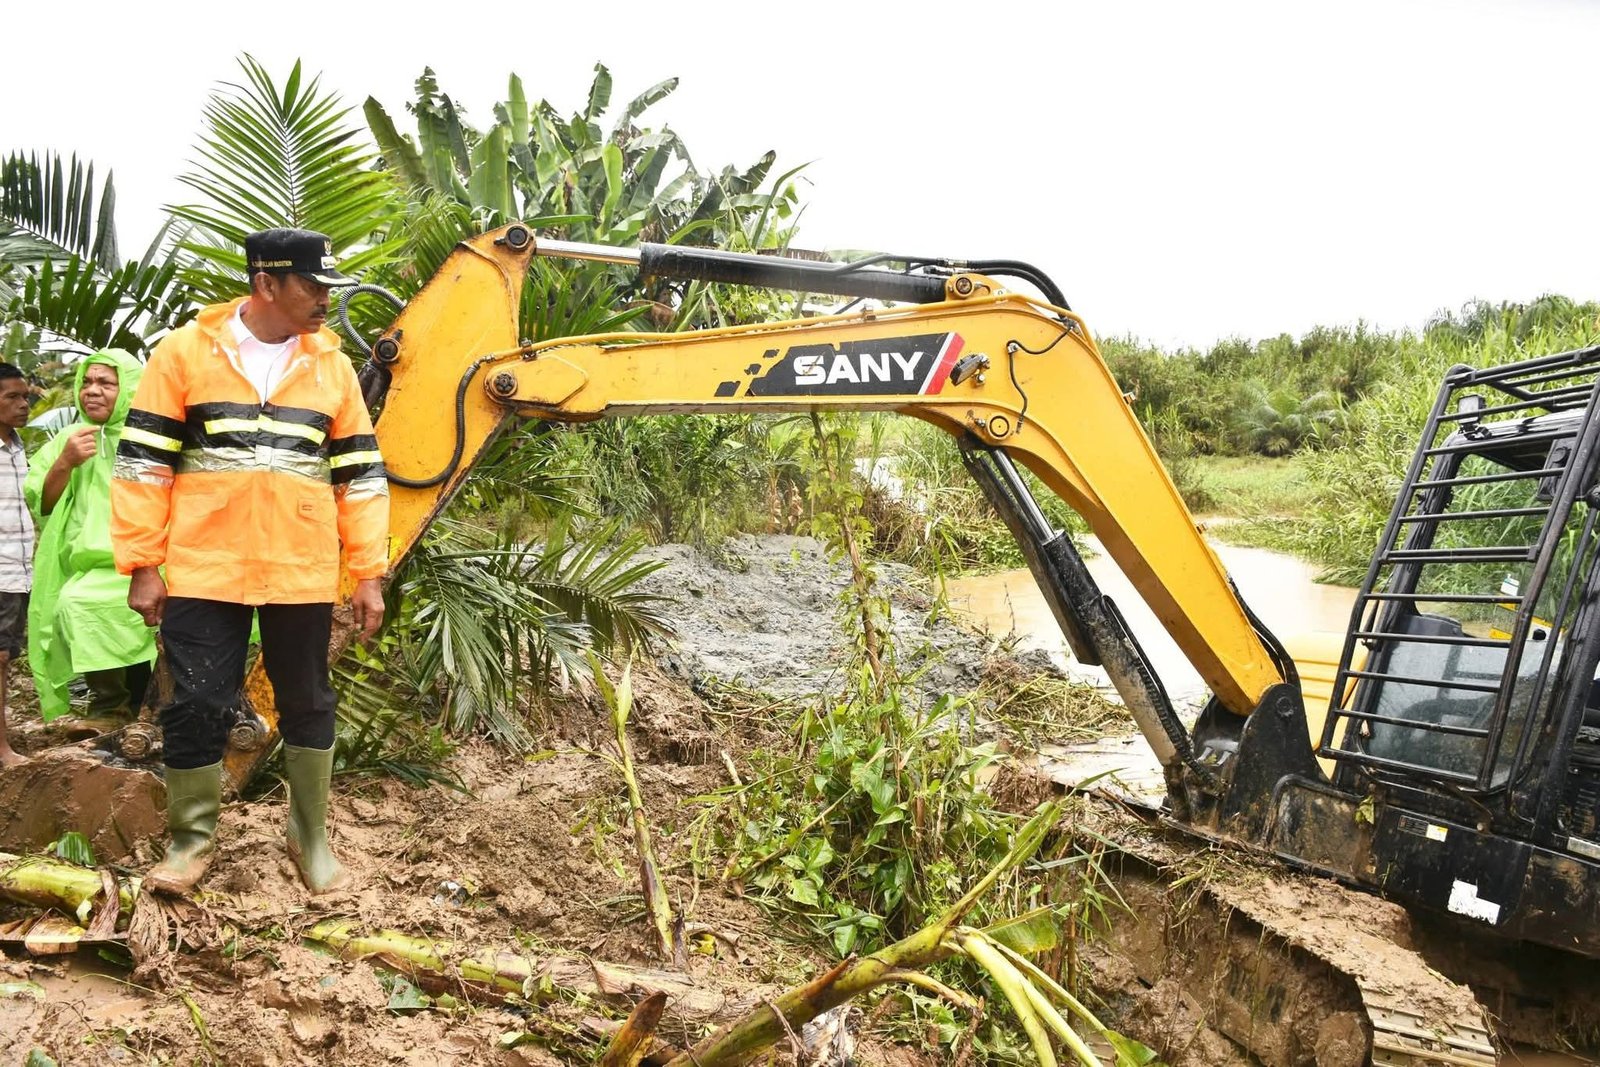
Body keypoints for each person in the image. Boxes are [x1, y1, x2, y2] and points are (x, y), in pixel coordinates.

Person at [111, 228, 389, 895]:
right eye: (313, 286)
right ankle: (191, 842)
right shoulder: (182, 353)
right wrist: (142, 563)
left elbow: (361, 476)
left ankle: (309, 836)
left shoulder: (333, 367)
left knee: (308, 700)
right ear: (267, 283)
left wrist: (368, 572)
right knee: (195, 702)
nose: (326, 299)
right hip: (206, 565)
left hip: (300, 564)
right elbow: (144, 466)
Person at [26, 349, 156, 723]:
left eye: (106, 383)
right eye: (87, 381)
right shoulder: (70, 438)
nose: (92, 391)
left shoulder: (150, 436)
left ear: (130, 388)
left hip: (149, 563)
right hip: (92, 566)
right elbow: (43, 503)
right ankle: (108, 708)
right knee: (75, 604)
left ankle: (151, 711)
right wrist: (66, 461)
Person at [0, 364, 33, 768]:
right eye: (12, 397)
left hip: (16, 573)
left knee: (5, 659)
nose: (24, 405)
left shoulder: (18, 447)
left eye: (26, 397)